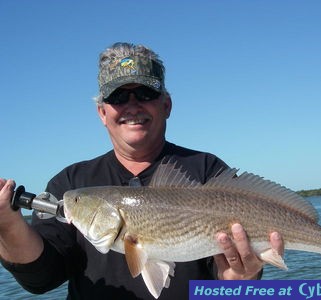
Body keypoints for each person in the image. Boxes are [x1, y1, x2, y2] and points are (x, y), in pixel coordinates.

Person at [0, 42, 283, 299]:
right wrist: (9, 225)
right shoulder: (70, 182)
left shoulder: (208, 171)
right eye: (118, 97)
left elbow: (228, 283)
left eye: (145, 92)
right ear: (102, 113)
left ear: (166, 105)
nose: (132, 106)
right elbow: (42, 278)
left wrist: (239, 280)